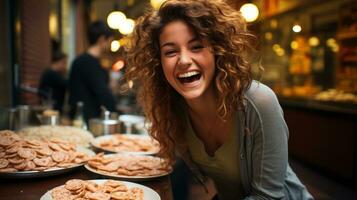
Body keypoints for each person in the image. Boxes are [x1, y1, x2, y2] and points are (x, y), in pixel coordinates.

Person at [125, 0, 314, 199]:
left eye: (196, 46)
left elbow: (269, 197)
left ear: (217, 50)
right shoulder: (174, 109)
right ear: (159, 62)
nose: (184, 60)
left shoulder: (259, 102)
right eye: (170, 52)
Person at [68, 20, 117, 122]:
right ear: (102, 39)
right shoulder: (88, 63)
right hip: (86, 121)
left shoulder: (83, 61)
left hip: (84, 119)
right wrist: (115, 111)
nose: (110, 46)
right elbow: (102, 93)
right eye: (110, 41)